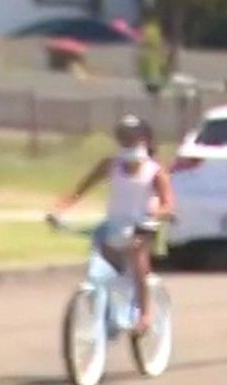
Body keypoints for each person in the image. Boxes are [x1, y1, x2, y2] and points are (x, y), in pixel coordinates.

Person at [52, 113, 174, 334]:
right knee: (102, 264)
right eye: (124, 137)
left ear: (145, 140)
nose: (128, 142)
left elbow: (168, 205)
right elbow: (80, 190)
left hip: (141, 227)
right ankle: (108, 310)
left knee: (138, 258)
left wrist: (155, 215)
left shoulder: (155, 171)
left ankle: (145, 315)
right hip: (114, 225)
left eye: (133, 137)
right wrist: (60, 209)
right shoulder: (111, 165)